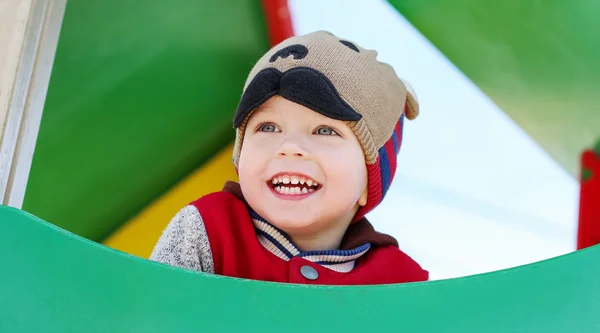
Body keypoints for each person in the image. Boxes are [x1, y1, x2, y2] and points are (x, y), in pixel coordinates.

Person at [150, 30, 429, 285]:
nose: (290, 146)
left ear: (370, 181)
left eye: (324, 130)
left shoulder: (399, 281)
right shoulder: (209, 231)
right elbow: (150, 316)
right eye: (268, 127)